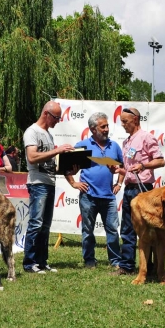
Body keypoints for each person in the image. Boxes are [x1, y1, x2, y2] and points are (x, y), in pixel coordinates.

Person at [64, 112, 124, 269]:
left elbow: (123, 168)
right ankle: (89, 260)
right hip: (88, 196)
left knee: (112, 230)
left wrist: (119, 183)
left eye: (107, 126)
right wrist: (73, 183)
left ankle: (116, 261)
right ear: (92, 129)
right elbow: (67, 168)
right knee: (88, 230)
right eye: (102, 126)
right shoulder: (82, 146)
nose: (106, 129)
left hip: (109, 197)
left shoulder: (115, 146)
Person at [23, 101, 75, 274]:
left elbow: (51, 163)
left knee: (45, 226)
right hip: (37, 183)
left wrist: (72, 166)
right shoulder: (32, 132)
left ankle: (41, 261)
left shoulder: (47, 134)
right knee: (36, 223)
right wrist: (57, 150)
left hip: (49, 181)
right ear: (46, 114)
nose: (58, 121)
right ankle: (29, 263)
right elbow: (32, 157)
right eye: (56, 117)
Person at [111, 107, 165, 275]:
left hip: (144, 190)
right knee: (127, 228)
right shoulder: (126, 142)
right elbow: (128, 169)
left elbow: (161, 161)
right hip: (129, 190)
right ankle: (126, 266)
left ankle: (148, 267)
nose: (123, 125)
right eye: (121, 121)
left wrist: (143, 165)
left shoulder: (147, 138)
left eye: (125, 121)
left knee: (146, 230)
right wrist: (120, 171)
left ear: (135, 120)